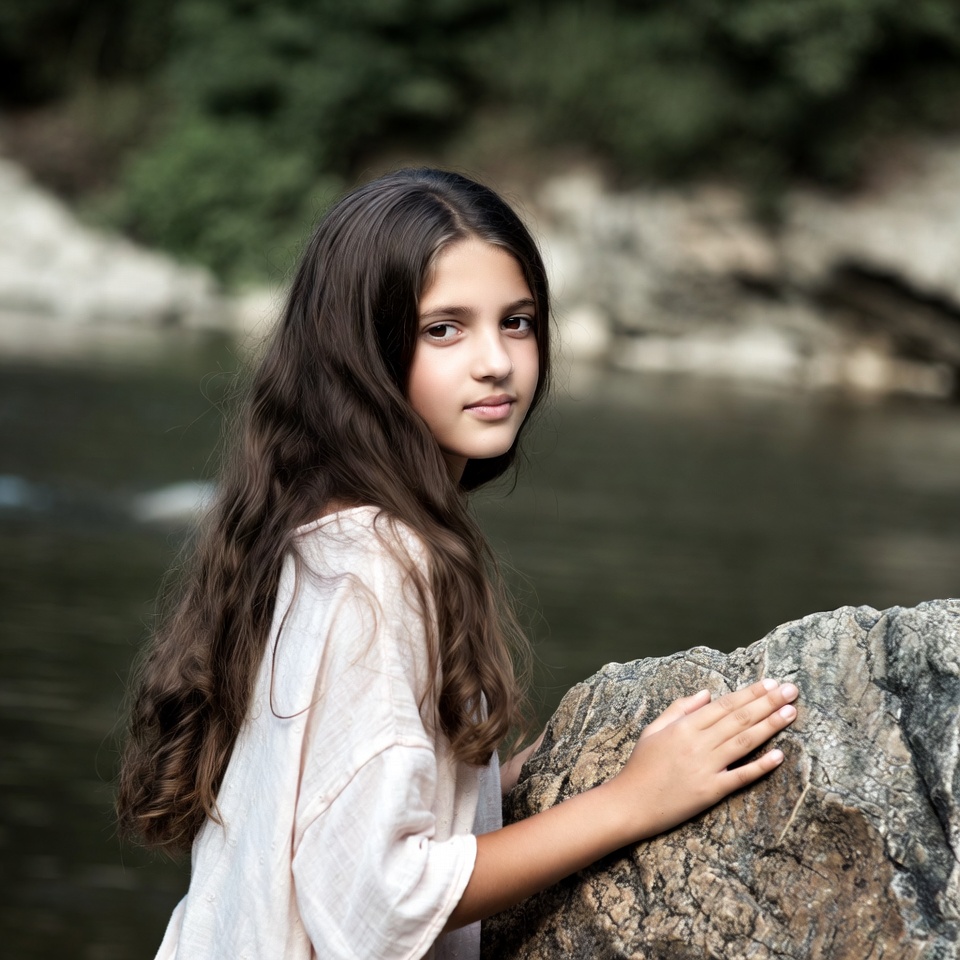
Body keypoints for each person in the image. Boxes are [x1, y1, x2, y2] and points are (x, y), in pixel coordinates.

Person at [117, 168, 799, 960]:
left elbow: (327, 822)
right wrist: (633, 800)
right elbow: (377, 901)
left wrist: (509, 783)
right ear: (360, 351)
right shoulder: (382, 564)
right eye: (444, 329)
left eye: (516, 322)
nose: (496, 362)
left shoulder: (315, 529)